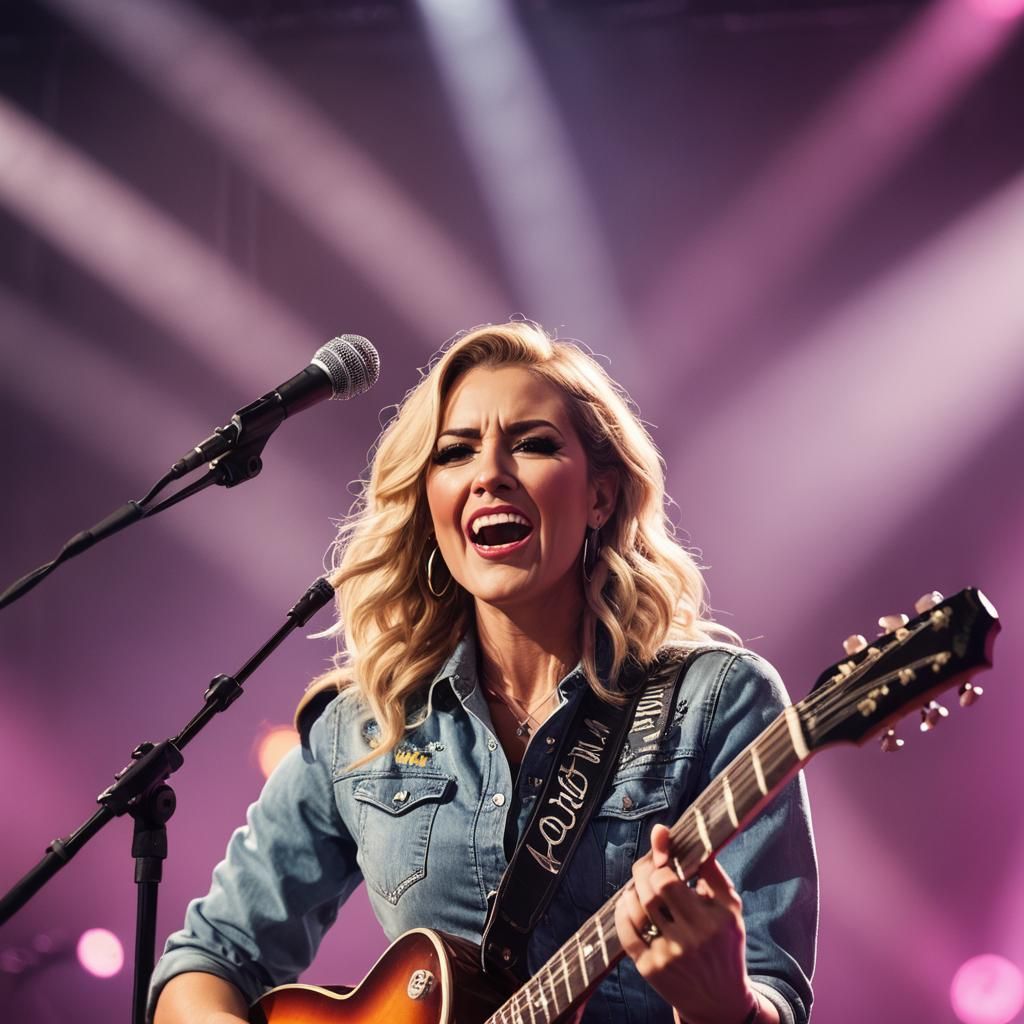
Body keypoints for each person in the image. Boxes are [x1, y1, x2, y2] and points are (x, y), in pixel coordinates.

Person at [150, 320, 817, 1024]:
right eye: (455, 452)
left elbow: (775, 991)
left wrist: (725, 1006)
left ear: (602, 496)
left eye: (532, 445)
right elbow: (205, 962)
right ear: (426, 497)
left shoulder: (718, 701)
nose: (489, 474)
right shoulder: (366, 724)